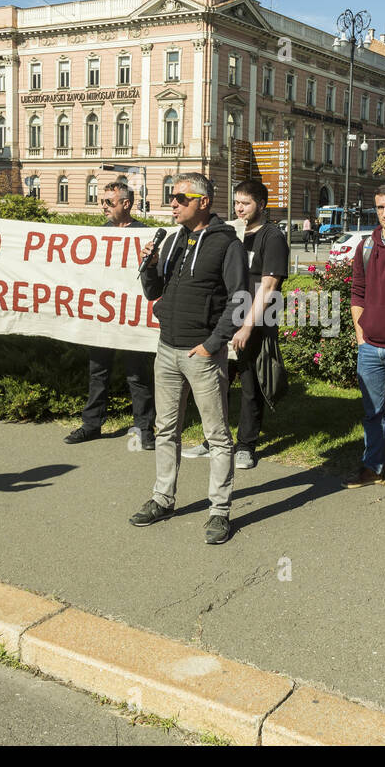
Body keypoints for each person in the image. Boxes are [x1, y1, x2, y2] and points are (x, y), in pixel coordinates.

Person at [132, 172, 248, 544]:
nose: (174, 203)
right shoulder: (174, 241)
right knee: (165, 430)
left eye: (181, 197)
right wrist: (149, 265)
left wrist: (214, 343)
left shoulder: (225, 244)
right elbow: (154, 291)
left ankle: (219, 510)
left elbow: (240, 299)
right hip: (167, 349)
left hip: (201, 353)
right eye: (172, 197)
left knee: (217, 436)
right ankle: (163, 498)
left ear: (203, 202)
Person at [183, 179, 288, 469]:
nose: (239, 208)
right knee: (216, 382)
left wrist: (247, 327)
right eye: (237, 202)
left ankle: (246, 445)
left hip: (256, 320)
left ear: (261, 205)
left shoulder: (273, 237)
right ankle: (214, 439)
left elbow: (268, 287)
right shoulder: (231, 234)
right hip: (225, 318)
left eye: (246, 203)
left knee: (250, 382)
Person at [65, 178, 155, 449]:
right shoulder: (99, 234)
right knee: (97, 371)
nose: (102, 206)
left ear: (126, 204)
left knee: (137, 375)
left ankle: (145, 429)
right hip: (103, 314)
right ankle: (91, 425)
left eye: (108, 202)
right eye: (101, 201)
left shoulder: (145, 235)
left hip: (131, 316)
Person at [346, 184, 385, 487]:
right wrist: (361, 337)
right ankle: (373, 466)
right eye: (380, 207)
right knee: (373, 412)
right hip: (370, 347)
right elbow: (357, 292)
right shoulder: (366, 246)